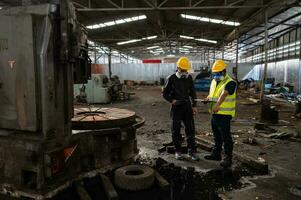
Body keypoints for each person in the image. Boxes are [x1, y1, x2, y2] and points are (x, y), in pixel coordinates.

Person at [162, 57, 199, 161]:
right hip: (176, 107)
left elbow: (193, 92)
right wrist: (171, 100)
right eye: (182, 70)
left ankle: (192, 152)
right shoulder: (171, 78)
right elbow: (164, 93)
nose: (184, 72)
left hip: (187, 106)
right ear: (178, 68)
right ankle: (177, 151)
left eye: (185, 70)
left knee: (190, 129)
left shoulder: (189, 78)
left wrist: (194, 105)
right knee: (176, 130)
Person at [203, 60, 237, 168]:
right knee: (216, 135)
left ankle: (228, 157)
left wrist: (217, 105)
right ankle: (216, 154)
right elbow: (213, 94)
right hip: (215, 113)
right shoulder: (214, 81)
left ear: (223, 72)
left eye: (218, 73)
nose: (216, 75)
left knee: (225, 136)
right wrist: (207, 98)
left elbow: (224, 94)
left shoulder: (230, 82)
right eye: (215, 73)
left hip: (224, 113)